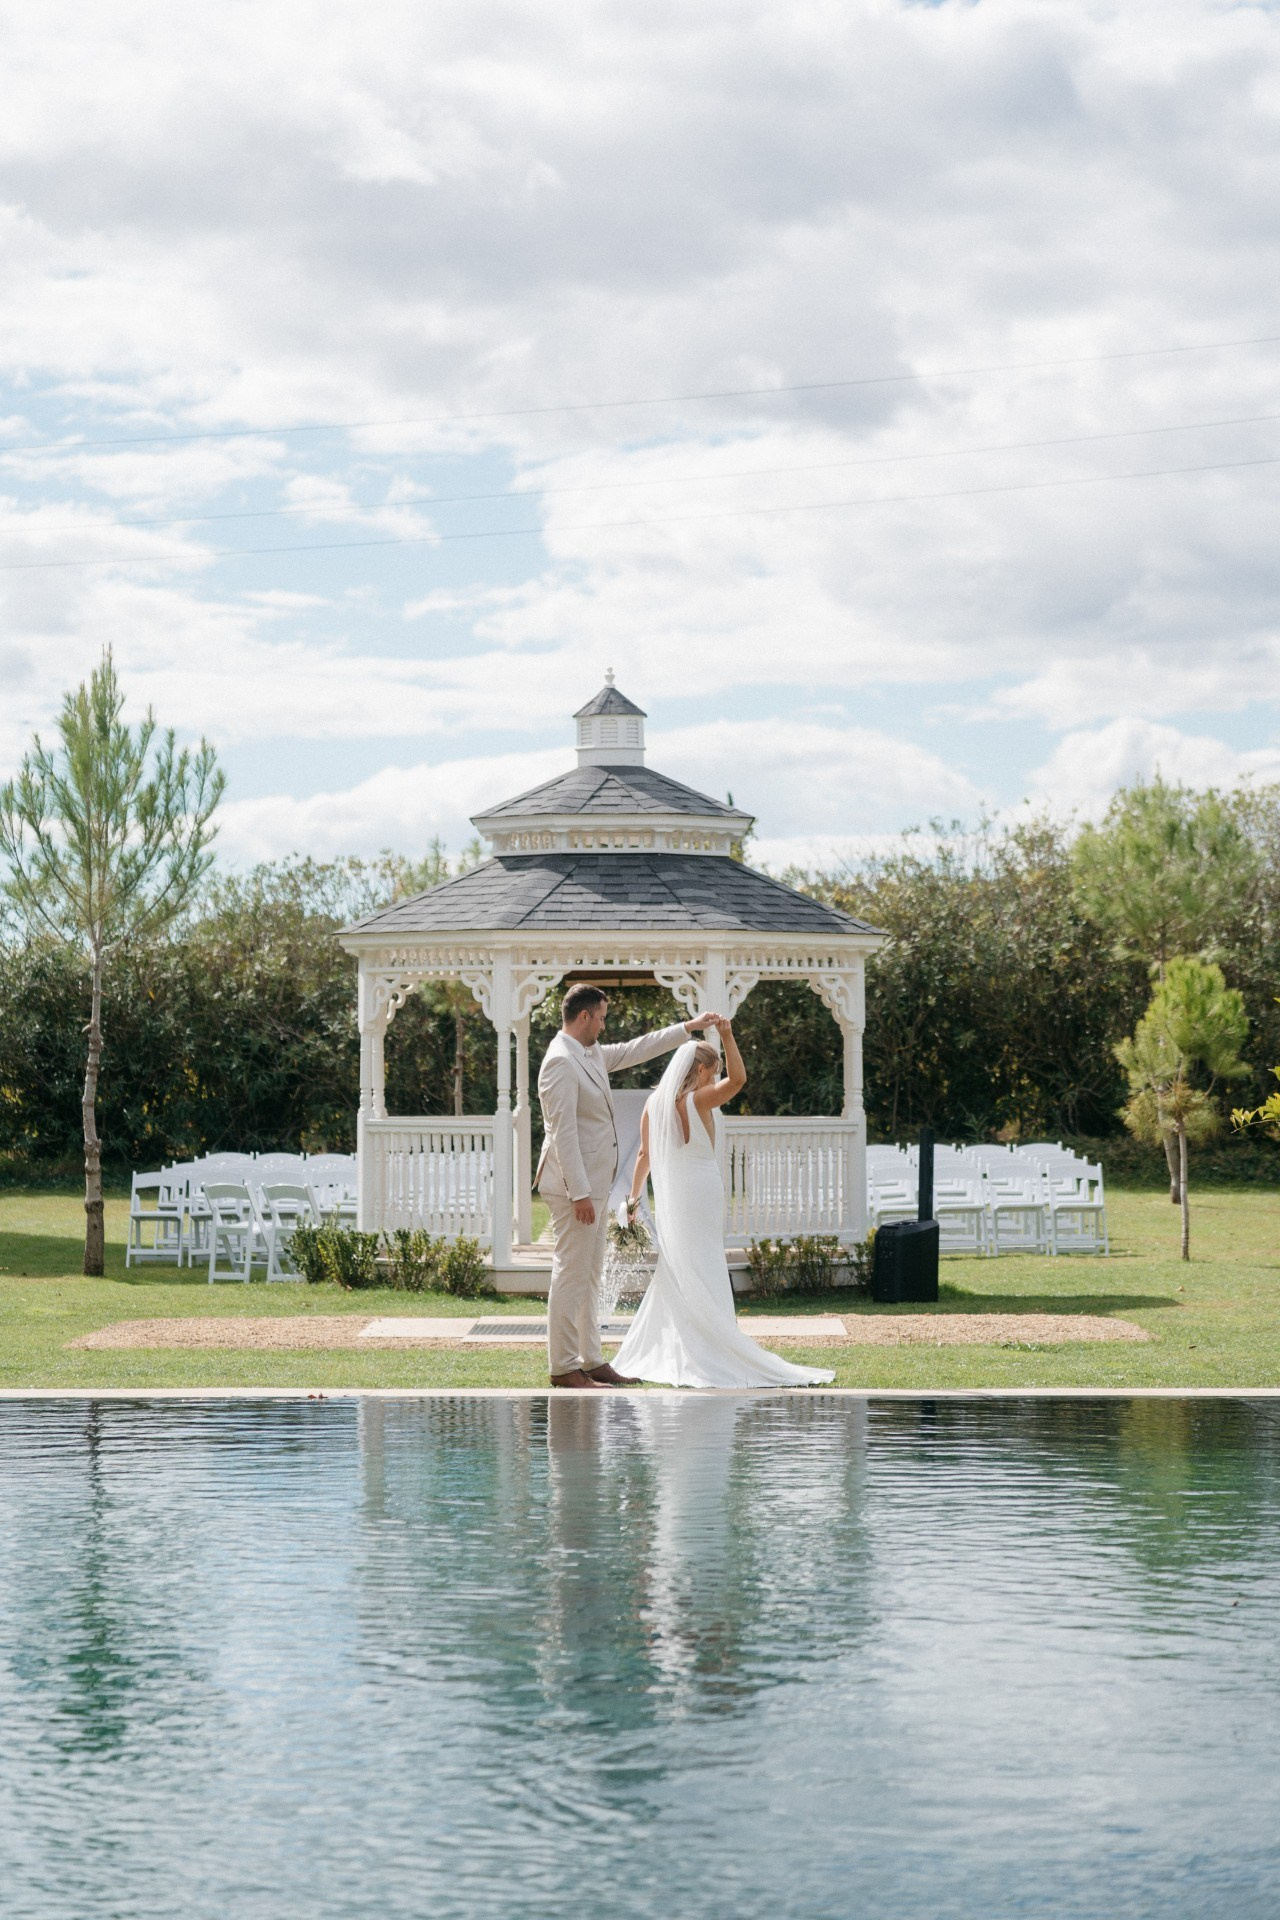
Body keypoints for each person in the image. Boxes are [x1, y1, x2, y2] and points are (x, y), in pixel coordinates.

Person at [612, 1019, 835, 1389]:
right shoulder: (699, 1099)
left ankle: (686, 1345)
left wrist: (633, 1200)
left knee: (681, 1265)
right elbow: (739, 1081)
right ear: (699, 1069)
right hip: (701, 1188)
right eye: (711, 1072)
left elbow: (644, 1156)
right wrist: (729, 1036)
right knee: (706, 1260)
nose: (713, 1080)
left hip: (675, 1197)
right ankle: (714, 1343)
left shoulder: (653, 1103)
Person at [537, 984, 720, 1389]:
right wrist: (580, 1193)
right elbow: (563, 1134)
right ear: (583, 1016)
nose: (604, 1025)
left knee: (590, 1274)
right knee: (571, 1273)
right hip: (575, 1188)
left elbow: (638, 1047)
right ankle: (564, 1367)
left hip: (596, 1186)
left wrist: (688, 1027)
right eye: (601, 1017)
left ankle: (591, 1359)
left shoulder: (592, 1054)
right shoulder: (560, 1062)